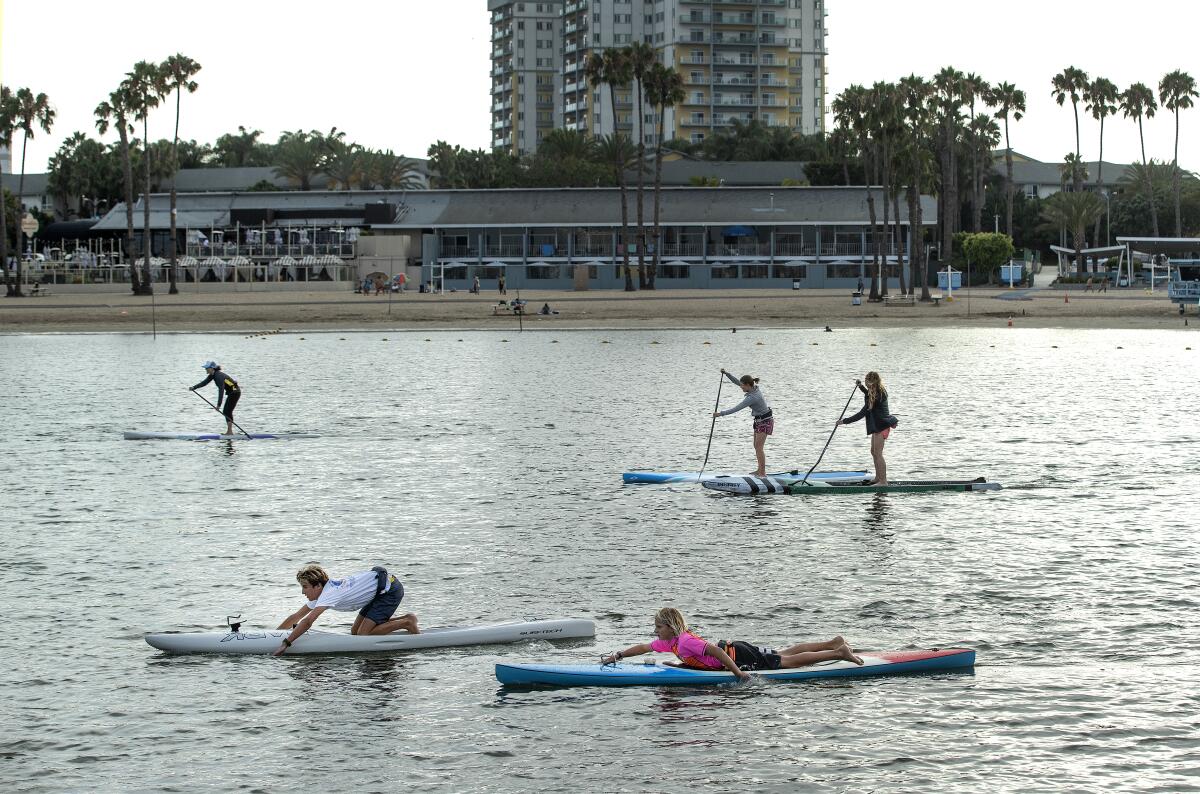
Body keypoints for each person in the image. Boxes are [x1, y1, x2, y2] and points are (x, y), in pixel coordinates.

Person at [600, 607, 862, 680]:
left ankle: (838, 652)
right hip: (737, 649)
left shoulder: (686, 641)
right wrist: (619, 655)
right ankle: (833, 642)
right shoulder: (669, 643)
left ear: (670, 627)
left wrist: (738, 674)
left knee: (786, 661)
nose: (654, 631)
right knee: (783, 652)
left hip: (737, 656)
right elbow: (643, 648)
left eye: (658, 627)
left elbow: (713, 651)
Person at [272, 564, 419, 656]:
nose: (303, 592)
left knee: (363, 634)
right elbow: (296, 616)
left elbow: (308, 621)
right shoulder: (322, 592)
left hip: (389, 590)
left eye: (305, 587)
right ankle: (406, 618)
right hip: (377, 591)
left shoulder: (329, 594)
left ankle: (406, 622)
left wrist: (286, 643)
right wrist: (273, 634)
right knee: (355, 632)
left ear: (317, 586)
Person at [838, 371, 898, 486]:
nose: (866, 384)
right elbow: (868, 394)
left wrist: (844, 421)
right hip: (877, 425)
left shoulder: (878, 395)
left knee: (878, 453)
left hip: (882, 425)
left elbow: (862, 413)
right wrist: (860, 387)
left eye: (867, 383)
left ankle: (883, 482)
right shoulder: (875, 390)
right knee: (873, 452)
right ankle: (877, 478)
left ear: (871, 383)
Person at [714, 368, 772, 477]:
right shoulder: (752, 388)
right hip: (759, 420)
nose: (741, 387)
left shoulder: (752, 397)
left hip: (765, 421)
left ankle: (763, 473)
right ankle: (759, 470)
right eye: (741, 385)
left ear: (748, 385)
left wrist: (720, 413)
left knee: (759, 448)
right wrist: (727, 374)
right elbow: (737, 382)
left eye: (742, 386)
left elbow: (737, 408)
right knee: (756, 446)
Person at [190, 361, 241, 436]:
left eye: (207, 368)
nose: (206, 369)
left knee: (227, 411)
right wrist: (194, 387)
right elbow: (204, 383)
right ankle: (229, 431)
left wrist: (218, 405)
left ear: (212, 368)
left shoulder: (218, 376)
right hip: (232, 392)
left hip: (235, 393)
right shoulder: (213, 375)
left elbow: (221, 390)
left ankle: (230, 432)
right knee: (226, 411)